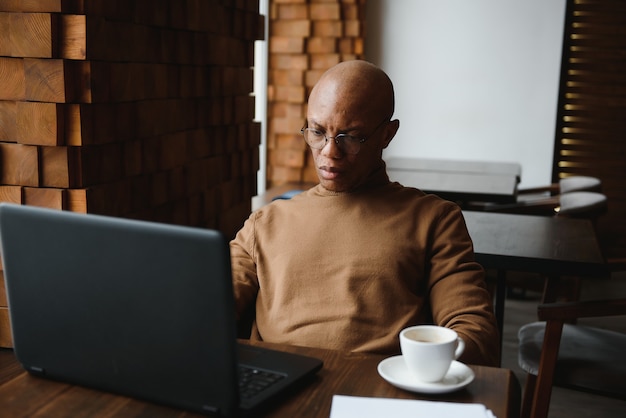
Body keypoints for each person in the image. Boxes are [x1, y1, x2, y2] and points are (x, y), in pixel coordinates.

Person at [230, 60, 500, 367]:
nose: (330, 152)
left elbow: (475, 332)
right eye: (317, 132)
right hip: (276, 389)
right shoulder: (265, 223)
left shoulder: (434, 220)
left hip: (381, 390)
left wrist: (421, 370)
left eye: (350, 137)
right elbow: (207, 302)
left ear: (387, 134)